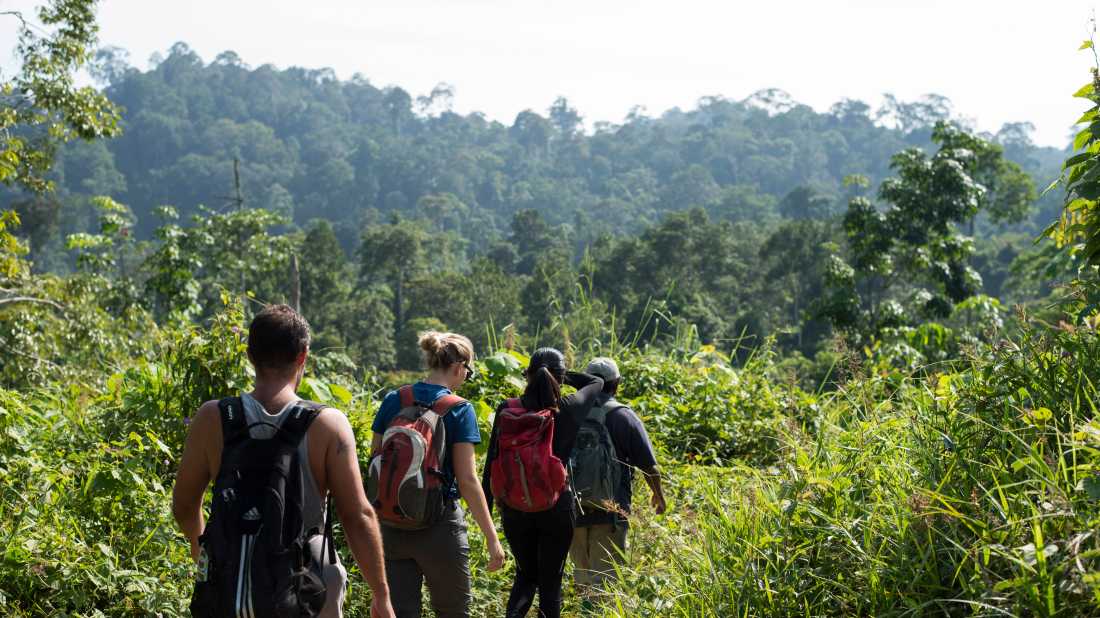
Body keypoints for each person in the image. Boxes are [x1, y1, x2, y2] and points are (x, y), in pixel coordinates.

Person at [172, 304, 395, 618]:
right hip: (303, 594)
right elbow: (357, 516)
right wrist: (381, 596)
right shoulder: (328, 425)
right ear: (303, 355)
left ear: (249, 355)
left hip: (225, 592)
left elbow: (183, 505)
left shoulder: (212, 417)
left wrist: (207, 555)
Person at [370, 331, 506, 618]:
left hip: (392, 524)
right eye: (467, 373)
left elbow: (376, 461)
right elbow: (467, 480)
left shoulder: (394, 399)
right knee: (453, 612)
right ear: (459, 367)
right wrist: (492, 538)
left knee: (400, 612)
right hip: (440, 528)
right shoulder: (459, 409)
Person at [482, 348, 605, 618]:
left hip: (515, 509)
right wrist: (560, 376)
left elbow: (492, 464)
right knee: (551, 581)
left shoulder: (507, 409)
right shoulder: (569, 408)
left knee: (525, 575)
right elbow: (597, 383)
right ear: (560, 378)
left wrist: (487, 519)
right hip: (556, 507)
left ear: (527, 376)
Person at [568, 357, 666, 605]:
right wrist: (658, 495)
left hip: (572, 511)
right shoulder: (623, 415)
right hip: (610, 513)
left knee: (584, 584)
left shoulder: (569, 412)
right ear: (617, 384)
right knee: (607, 588)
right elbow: (650, 466)